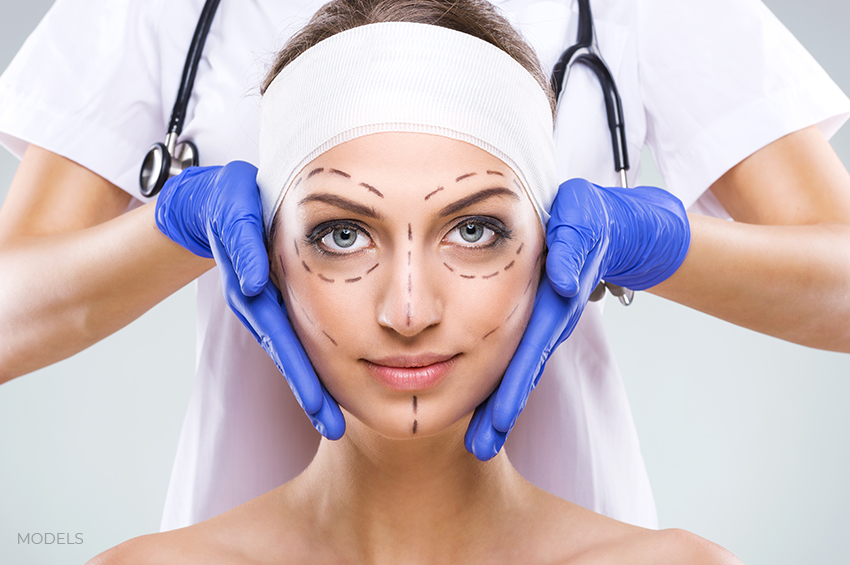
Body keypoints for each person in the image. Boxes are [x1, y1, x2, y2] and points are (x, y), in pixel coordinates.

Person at [0, 0, 848, 536]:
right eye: (341, 233)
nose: (409, 307)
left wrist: (659, 242)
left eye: (475, 227)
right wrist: (172, 227)